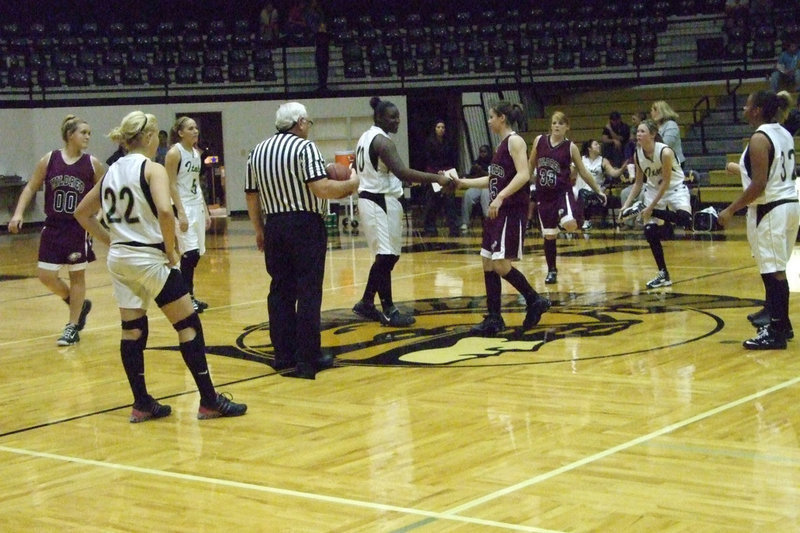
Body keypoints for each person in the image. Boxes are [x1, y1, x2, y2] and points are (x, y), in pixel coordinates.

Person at [74, 110, 247, 421]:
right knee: (188, 324)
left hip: (121, 260)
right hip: (148, 258)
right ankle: (209, 400)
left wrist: (112, 241)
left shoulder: (110, 171)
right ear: (151, 137)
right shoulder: (151, 168)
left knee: (133, 330)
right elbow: (166, 213)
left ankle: (141, 403)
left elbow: (82, 214)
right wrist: (171, 251)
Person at [245, 102, 359, 379]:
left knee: (280, 290)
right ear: (299, 122)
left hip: (274, 225)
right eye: (307, 122)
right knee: (308, 291)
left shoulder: (257, 151)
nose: (308, 126)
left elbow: (251, 194)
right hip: (304, 224)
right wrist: (352, 183)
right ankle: (308, 356)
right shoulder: (304, 147)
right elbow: (321, 188)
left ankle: (282, 354)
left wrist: (259, 229)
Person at [351, 97, 453, 326]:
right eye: (392, 117)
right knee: (387, 256)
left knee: (387, 256)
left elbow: (382, 173)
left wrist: (399, 183)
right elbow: (403, 172)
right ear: (379, 118)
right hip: (378, 202)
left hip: (377, 199)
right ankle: (387, 309)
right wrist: (439, 178)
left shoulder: (365, 137)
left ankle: (366, 302)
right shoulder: (383, 143)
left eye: (398, 116)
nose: (397, 121)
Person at [455, 101, 551, 336]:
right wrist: (462, 182)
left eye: (491, 117)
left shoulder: (515, 141)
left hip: (510, 209)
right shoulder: (500, 146)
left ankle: (534, 299)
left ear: (502, 118)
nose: (488, 121)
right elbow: (493, 179)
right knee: (487, 261)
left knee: (500, 264)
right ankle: (495, 318)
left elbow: (524, 175)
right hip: (497, 211)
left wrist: (500, 199)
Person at [7, 115, 104, 346]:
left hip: (77, 227)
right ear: (71, 135)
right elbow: (31, 186)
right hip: (52, 226)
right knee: (46, 275)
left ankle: (72, 327)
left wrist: (96, 217)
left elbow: (104, 192)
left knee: (76, 275)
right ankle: (75, 302)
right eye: (84, 133)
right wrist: (18, 213)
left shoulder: (92, 163)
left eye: (89, 133)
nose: (88, 136)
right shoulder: (50, 159)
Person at [718, 90, 799, 349]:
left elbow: (760, 184)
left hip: (772, 208)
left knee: (774, 273)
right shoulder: (783, 132)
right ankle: (781, 324)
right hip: (788, 205)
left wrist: (731, 209)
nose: (743, 108)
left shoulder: (759, 138)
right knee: (775, 270)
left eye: (747, 105)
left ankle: (775, 331)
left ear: (757, 110)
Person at [528, 111, 607, 284]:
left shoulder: (570, 147)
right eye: (554, 122)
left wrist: (598, 190)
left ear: (567, 127)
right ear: (550, 125)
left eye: (561, 123)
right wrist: (524, 185)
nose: (557, 125)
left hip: (562, 193)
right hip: (543, 194)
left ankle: (574, 213)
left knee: (570, 225)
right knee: (549, 235)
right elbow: (530, 165)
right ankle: (552, 270)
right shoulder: (539, 141)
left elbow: (583, 172)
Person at [618, 119, 693, 289]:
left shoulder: (665, 152)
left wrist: (650, 208)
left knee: (685, 220)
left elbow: (666, 182)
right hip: (652, 191)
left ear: (652, 134)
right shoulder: (638, 154)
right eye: (637, 131)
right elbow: (638, 183)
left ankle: (646, 211)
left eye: (643, 131)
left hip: (674, 188)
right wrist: (625, 205)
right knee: (650, 230)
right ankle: (663, 274)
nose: (638, 134)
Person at [165, 116, 212, 313]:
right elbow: (171, 183)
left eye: (196, 128)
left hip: (196, 206)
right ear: (180, 132)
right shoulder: (175, 153)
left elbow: (197, 184)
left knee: (197, 253)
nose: (195, 131)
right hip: (181, 206)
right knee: (189, 253)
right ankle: (186, 298)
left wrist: (206, 211)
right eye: (191, 128)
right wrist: (181, 213)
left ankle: (189, 296)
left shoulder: (195, 152)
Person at [421, 119, 460, 237]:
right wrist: (437, 171)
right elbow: (428, 159)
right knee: (432, 201)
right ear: (434, 129)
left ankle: (453, 227)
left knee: (450, 200)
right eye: (438, 127)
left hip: (447, 172)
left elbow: (452, 158)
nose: (441, 129)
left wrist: (445, 171)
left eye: (443, 127)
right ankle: (430, 227)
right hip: (433, 172)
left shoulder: (449, 142)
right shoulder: (429, 142)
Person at [576, 139, 624, 230]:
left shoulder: (603, 160)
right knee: (579, 192)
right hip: (581, 189)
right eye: (596, 144)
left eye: (598, 144)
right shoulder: (581, 159)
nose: (599, 146)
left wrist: (622, 169)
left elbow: (613, 173)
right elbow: (570, 171)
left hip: (597, 190)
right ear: (589, 148)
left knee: (590, 195)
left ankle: (588, 221)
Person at [459, 144, 492, 233]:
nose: (482, 154)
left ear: (488, 152)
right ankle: (465, 222)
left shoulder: (493, 162)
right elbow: (471, 176)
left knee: (485, 195)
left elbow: (492, 177)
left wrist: (482, 171)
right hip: (477, 186)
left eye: (484, 152)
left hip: (488, 186)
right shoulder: (476, 163)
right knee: (467, 194)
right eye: (481, 152)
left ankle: (488, 220)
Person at [651, 100, 686, 170]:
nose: (651, 113)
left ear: (659, 111)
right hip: (661, 162)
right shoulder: (656, 126)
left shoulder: (671, 125)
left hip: (674, 162)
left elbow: (666, 144)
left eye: (652, 110)